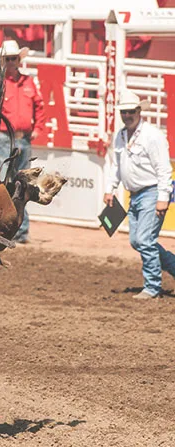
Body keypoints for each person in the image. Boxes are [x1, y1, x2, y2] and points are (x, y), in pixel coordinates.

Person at [104, 90, 175, 300]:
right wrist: (110, 188)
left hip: (151, 192)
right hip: (134, 195)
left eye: (130, 111)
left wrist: (164, 197)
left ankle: (152, 287)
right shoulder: (121, 135)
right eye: (123, 112)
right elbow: (117, 165)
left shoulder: (152, 136)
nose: (126, 115)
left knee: (144, 239)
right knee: (138, 241)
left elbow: (164, 169)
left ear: (138, 111)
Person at [0, 40, 45, 244]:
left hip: (22, 139)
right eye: (8, 59)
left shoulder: (28, 82)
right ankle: (1, 225)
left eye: (14, 58)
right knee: (4, 183)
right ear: (3, 61)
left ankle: (20, 229)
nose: (12, 62)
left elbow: (39, 106)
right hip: (5, 138)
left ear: (18, 60)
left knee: (23, 184)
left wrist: (38, 128)